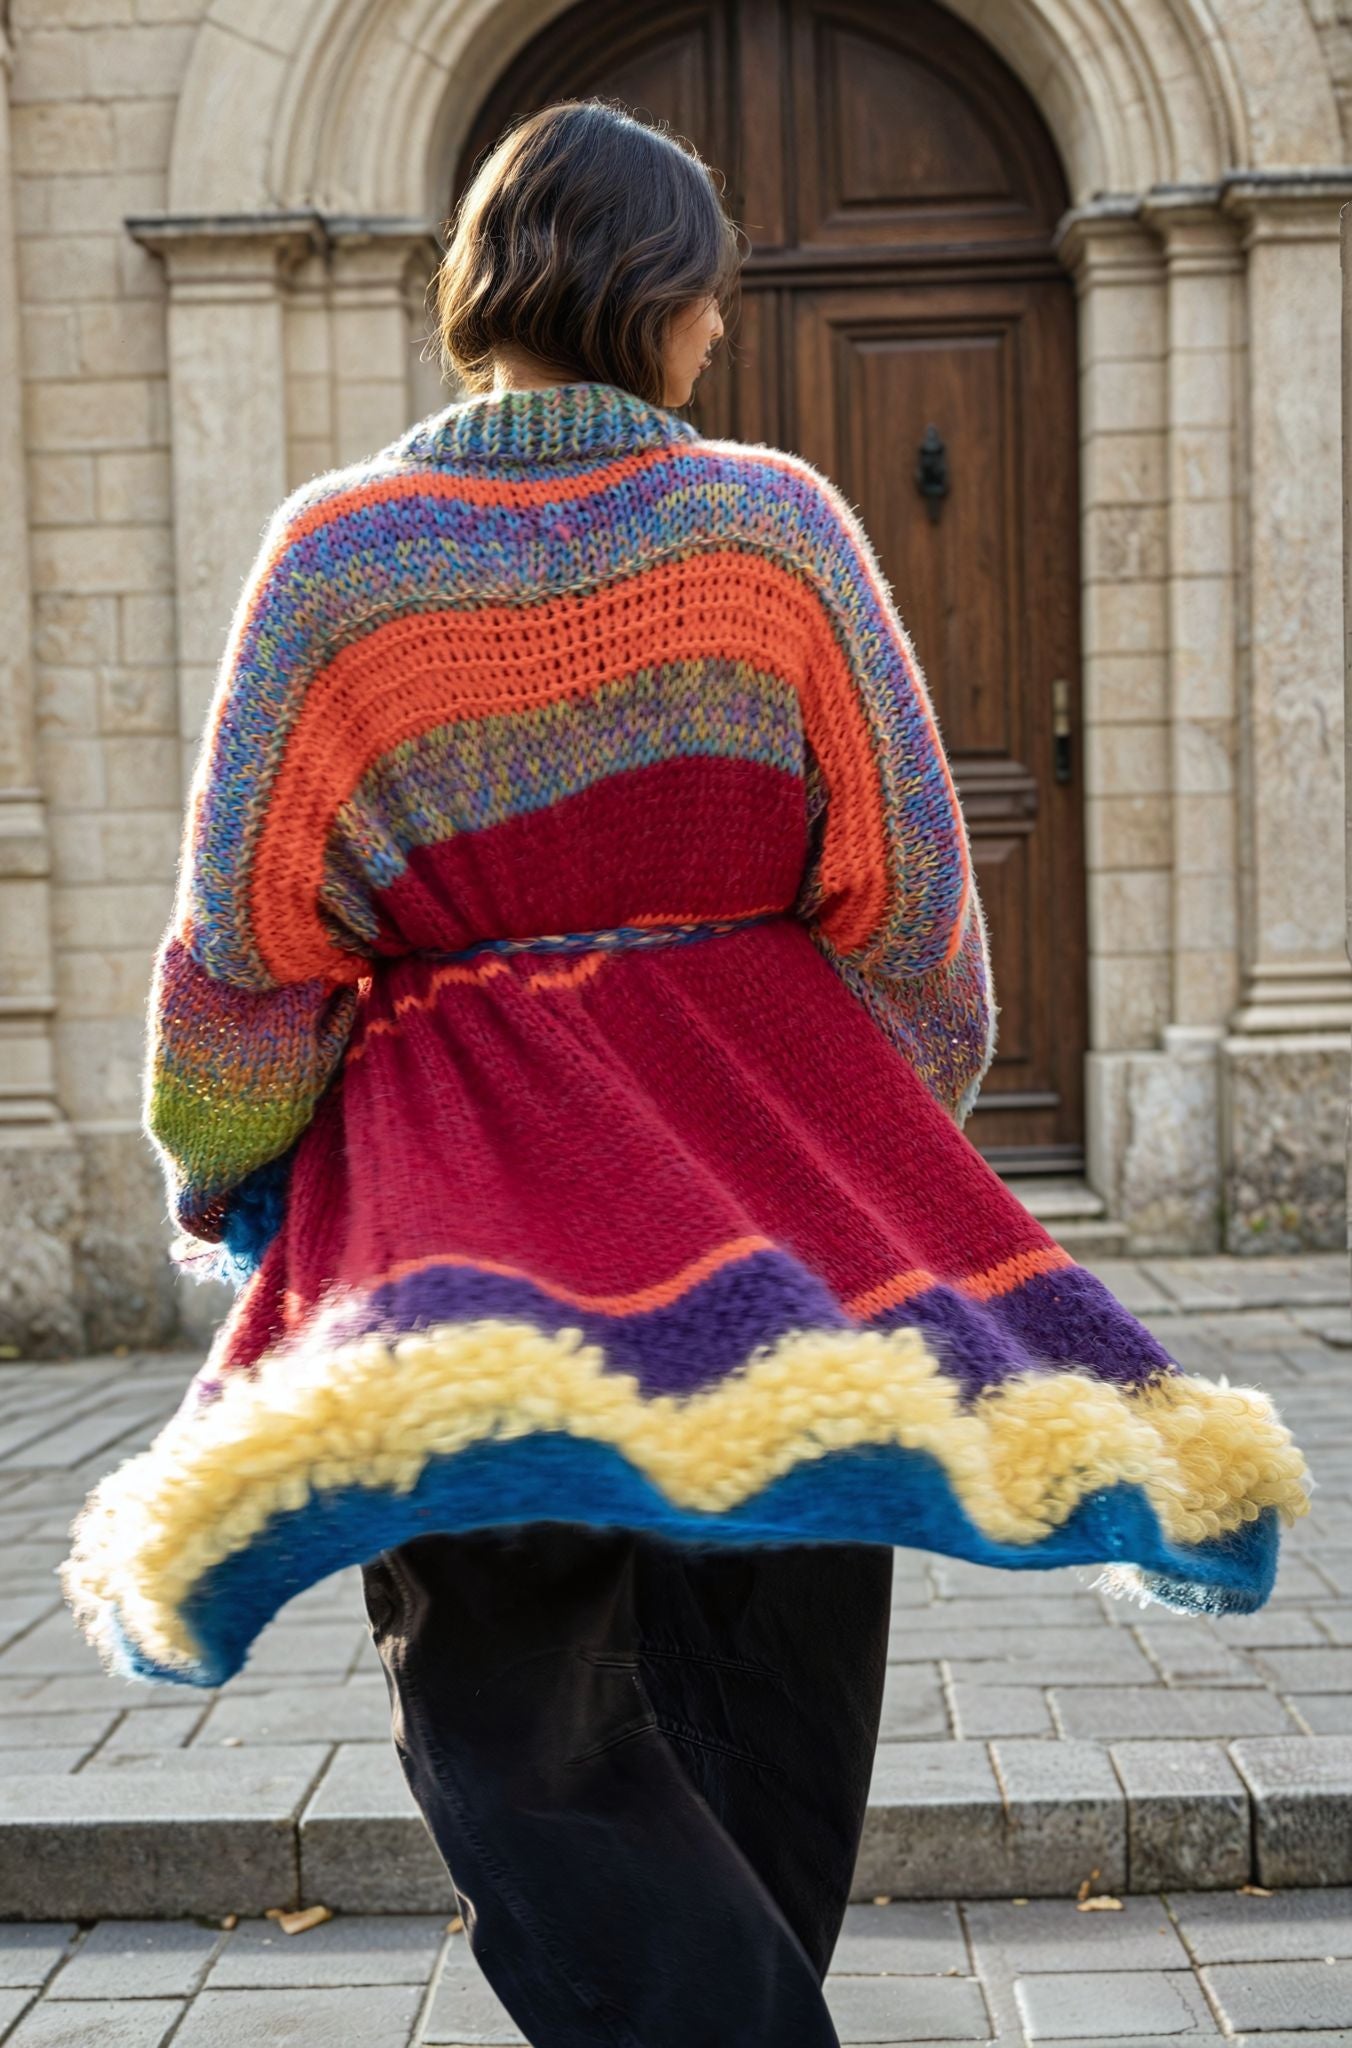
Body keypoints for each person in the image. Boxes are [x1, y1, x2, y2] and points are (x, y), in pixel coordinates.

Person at [62, 97, 1309, 2047]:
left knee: (511, 1732)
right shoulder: (775, 529)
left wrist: (239, 1181)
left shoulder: (332, 561)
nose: (719, 335)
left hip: (459, 1242)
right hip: (774, 1221)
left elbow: (248, 949)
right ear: (660, 297)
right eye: (709, 299)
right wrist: (849, 1137)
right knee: (774, 1703)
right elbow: (908, 920)